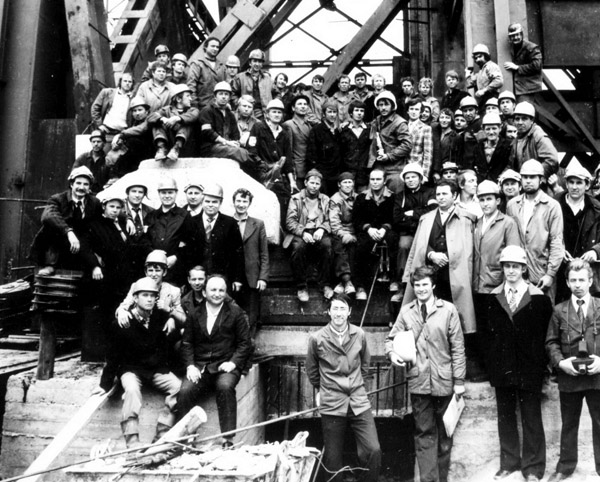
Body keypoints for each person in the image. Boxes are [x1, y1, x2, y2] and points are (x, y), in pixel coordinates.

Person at [387, 266, 466, 482]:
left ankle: (441, 478)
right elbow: (390, 340)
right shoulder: (407, 312)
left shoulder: (448, 310)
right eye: (417, 285)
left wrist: (459, 380)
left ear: (433, 286)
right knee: (424, 434)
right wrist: (392, 354)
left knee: (445, 436)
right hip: (419, 382)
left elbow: (458, 347)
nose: (421, 289)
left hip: (444, 382)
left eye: (425, 284)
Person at [484, 245, 552, 482]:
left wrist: (543, 367)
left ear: (524, 268)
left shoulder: (539, 298)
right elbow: (486, 336)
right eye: (507, 266)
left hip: (529, 367)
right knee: (505, 417)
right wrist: (492, 364)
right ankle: (509, 462)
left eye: (516, 266)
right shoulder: (493, 298)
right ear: (502, 268)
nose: (511, 271)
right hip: (502, 367)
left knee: (531, 417)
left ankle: (533, 468)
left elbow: (546, 335)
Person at [94, 277, 181, 448]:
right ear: (135, 298)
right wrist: (104, 384)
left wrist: (172, 318)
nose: (149, 299)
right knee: (132, 391)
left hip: (154, 369)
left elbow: (170, 341)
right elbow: (112, 356)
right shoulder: (123, 321)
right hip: (131, 369)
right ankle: (132, 442)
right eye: (145, 295)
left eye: (152, 296)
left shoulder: (160, 317)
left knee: (177, 386)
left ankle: (162, 436)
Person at [306, 293, 381, 482]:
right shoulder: (317, 338)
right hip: (332, 402)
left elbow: (365, 365)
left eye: (342, 309)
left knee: (373, 450)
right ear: (329, 312)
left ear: (349, 312)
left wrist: (356, 386)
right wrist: (325, 389)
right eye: (335, 309)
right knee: (332, 458)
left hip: (358, 400)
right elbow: (312, 371)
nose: (339, 313)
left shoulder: (359, 334)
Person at [177, 275, 251, 447]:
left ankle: (227, 438)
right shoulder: (195, 313)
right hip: (201, 366)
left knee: (225, 387)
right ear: (204, 292)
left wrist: (233, 363)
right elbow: (187, 343)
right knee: (185, 391)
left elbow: (245, 343)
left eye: (221, 290)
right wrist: (190, 366)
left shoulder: (235, 313)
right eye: (213, 290)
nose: (217, 294)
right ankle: (186, 439)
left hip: (226, 364)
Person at [546, 259, 600, 481]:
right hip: (570, 377)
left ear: (591, 281)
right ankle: (565, 467)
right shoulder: (559, 310)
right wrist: (561, 363)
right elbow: (551, 343)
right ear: (567, 283)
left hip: (597, 377)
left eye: (582, 280)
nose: (578, 284)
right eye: (573, 280)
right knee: (569, 424)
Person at [402, 180, 477, 335]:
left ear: (454, 196)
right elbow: (419, 244)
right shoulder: (426, 218)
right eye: (438, 194)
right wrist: (431, 254)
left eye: (444, 194)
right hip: (430, 272)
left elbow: (468, 247)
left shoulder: (466, 218)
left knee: (454, 313)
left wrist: (449, 256)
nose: (441, 197)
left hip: (455, 273)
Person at [472, 180, 521, 379]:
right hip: (477, 285)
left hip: (497, 284)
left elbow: (513, 254)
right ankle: (487, 371)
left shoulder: (507, 223)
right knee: (483, 329)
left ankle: (501, 371)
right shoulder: (476, 223)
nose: (485, 203)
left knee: (500, 330)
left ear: (498, 201)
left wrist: (507, 283)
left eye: (489, 199)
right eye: (482, 199)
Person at [507, 159, 564, 302]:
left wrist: (550, 274)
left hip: (541, 273)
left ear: (541, 179)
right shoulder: (512, 205)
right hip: (517, 272)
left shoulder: (552, 206)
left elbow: (557, 241)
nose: (528, 181)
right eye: (525, 177)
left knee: (542, 311)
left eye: (532, 177)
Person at [29, 166, 101, 276]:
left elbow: (107, 214)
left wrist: (126, 219)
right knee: (51, 226)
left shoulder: (94, 202)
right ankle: (50, 265)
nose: (81, 187)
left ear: (89, 187)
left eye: (86, 184)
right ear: (71, 184)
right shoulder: (58, 199)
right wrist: (68, 231)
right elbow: (48, 216)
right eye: (78, 183)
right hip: (60, 241)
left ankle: (93, 265)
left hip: (83, 243)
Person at [284, 169, 334, 301]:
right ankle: (301, 286)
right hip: (302, 231)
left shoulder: (325, 199)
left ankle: (325, 284)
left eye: (317, 184)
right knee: (298, 248)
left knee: (327, 246)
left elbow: (331, 219)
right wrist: (303, 232)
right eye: (312, 183)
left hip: (318, 231)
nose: (314, 186)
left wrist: (322, 228)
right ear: (305, 182)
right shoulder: (295, 198)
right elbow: (290, 221)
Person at [555, 161, 600, 302]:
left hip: (586, 272)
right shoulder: (553, 204)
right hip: (559, 270)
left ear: (587, 185)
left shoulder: (597, 209)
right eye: (571, 182)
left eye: (579, 183)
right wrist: (558, 249)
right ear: (566, 184)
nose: (574, 187)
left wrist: (595, 251)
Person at [392, 163, 437, 303]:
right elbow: (397, 218)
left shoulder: (430, 192)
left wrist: (413, 213)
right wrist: (416, 219)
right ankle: (403, 285)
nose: (410, 180)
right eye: (407, 177)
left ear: (420, 178)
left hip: (427, 232)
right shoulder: (400, 196)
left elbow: (433, 209)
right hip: (408, 231)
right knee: (404, 246)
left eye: (413, 177)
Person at [353, 168, 398, 300]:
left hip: (386, 230)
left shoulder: (392, 197)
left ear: (384, 181)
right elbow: (357, 219)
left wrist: (385, 228)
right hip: (368, 231)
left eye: (378, 179)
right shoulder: (361, 197)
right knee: (361, 246)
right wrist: (368, 229)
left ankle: (393, 279)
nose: (375, 182)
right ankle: (361, 286)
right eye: (372, 179)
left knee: (394, 241)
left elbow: (394, 217)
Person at [116, 249, 186, 335]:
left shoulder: (173, 291)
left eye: (157, 270)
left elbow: (184, 320)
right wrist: (121, 311)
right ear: (146, 272)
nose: (153, 274)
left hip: (162, 332)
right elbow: (125, 304)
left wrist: (171, 315)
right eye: (150, 270)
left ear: (164, 272)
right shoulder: (137, 285)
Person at [247, 98, 295, 222]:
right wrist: (263, 165)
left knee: (284, 197)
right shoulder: (258, 127)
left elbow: (288, 159)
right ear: (267, 114)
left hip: (277, 173)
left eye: (279, 112)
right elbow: (251, 150)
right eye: (274, 112)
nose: (277, 115)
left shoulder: (284, 133)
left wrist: (292, 181)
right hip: (260, 171)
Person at [191, 183, 244, 292]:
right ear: (202, 201)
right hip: (197, 279)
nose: (210, 205)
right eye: (207, 201)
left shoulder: (230, 223)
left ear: (220, 203)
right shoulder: (191, 222)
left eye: (214, 202)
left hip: (222, 277)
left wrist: (237, 279)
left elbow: (238, 253)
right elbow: (186, 253)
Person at [145, 176, 197, 286]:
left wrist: (176, 257)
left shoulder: (185, 216)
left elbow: (192, 244)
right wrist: (154, 253)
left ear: (176, 193)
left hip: (176, 271)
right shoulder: (151, 216)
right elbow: (145, 240)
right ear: (159, 194)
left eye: (170, 192)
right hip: (154, 270)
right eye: (163, 192)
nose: (167, 196)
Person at [232, 188, 269, 330]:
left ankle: (249, 340)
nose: (241, 204)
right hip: (233, 276)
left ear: (249, 204)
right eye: (238, 201)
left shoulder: (258, 224)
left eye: (244, 201)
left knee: (252, 314)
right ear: (233, 202)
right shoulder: (228, 222)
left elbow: (264, 253)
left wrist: (263, 277)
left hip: (252, 275)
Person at [369, 91, 412, 193]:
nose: (383, 108)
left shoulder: (400, 123)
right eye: (381, 105)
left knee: (395, 198)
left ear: (392, 106)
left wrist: (389, 156)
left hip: (394, 170)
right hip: (379, 169)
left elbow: (407, 145)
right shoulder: (377, 120)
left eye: (386, 104)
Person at [198, 81, 249, 165]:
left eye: (226, 94)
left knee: (244, 151)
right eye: (220, 94)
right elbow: (207, 132)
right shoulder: (207, 111)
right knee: (239, 152)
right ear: (215, 96)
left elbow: (235, 134)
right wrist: (226, 142)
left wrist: (235, 142)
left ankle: (263, 167)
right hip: (210, 148)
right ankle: (261, 170)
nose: (223, 97)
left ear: (229, 97)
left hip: (226, 147)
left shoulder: (230, 114)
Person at [148, 84, 199, 163]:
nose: (190, 99)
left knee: (187, 122)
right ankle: (161, 148)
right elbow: (150, 117)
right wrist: (163, 119)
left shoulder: (193, 110)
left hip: (186, 148)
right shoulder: (166, 110)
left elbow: (194, 116)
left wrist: (176, 118)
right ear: (178, 99)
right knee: (156, 121)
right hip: (169, 145)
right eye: (188, 96)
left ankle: (176, 148)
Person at [329, 172, 358, 295]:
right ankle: (346, 280)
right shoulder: (335, 199)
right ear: (339, 184)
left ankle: (346, 283)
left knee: (357, 248)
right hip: (340, 231)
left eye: (349, 182)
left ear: (353, 184)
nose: (347, 185)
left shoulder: (358, 197)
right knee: (340, 247)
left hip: (355, 231)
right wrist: (344, 234)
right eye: (344, 182)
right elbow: (334, 222)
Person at [109, 97, 154, 176]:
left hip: (149, 152)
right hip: (136, 154)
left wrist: (121, 135)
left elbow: (140, 129)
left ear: (146, 111)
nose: (137, 113)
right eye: (134, 111)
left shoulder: (150, 120)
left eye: (140, 110)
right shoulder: (134, 123)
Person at [513, 101, 559, 177]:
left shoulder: (538, 135)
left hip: (535, 181)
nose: (520, 122)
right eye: (517, 119)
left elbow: (552, 160)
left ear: (532, 120)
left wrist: (536, 176)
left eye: (524, 119)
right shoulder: (517, 137)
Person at [306, 100, 342, 196]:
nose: (332, 115)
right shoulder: (317, 130)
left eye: (334, 112)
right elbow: (311, 154)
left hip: (336, 174)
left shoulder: (338, 131)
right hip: (323, 175)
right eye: (329, 112)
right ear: (324, 114)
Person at [504, 23, 543, 102]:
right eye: (512, 36)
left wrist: (517, 67)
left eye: (517, 35)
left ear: (521, 34)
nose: (515, 37)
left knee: (524, 108)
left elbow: (537, 66)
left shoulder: (531, 47)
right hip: (518, 87)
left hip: (528, 88)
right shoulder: (512, 47)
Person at [231, 49, 273, 119]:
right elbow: (232, 94)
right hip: (245, 114)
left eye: (260, 61)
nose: (257, 64)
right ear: (250, 63)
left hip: (264, 115)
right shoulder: (240, 77)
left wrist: (272, 105)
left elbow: (277, 94)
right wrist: (240, 104)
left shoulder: (268, 79)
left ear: (262, 64)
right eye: (255, 61)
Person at [186, 36, 225, 109]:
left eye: (217, 47)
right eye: (212, 46)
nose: (215, 49)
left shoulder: (222, 66)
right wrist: (195, 106)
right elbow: (191, 86)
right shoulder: (197, 64)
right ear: (205, 47)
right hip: (202, 106)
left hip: (218, 107)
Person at [473, 112, 514, 182]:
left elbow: (510, 165)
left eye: (494, 128)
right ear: (483, 129)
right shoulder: (478, 147)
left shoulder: (508, 145)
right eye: (488, 129)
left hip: (502, 182)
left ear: (500, 128)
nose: (491, 132)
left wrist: (501, 179)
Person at [340, 100, 371, 191]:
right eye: (356, 110)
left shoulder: (369, 130)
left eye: (362, 111)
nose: (359, 113)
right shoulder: (344, 130)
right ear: (351, 113)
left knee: (363, 196)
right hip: (348, 171)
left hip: (364, 172)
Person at [283, 94, 311, 190]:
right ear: (293, 108)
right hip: (297, 170)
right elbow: (288, 151)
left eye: (305, 104)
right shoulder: (288, 125)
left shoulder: (309, 125)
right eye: (299, 104)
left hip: (308, 169)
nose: (303, 106)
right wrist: (291, 171)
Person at [466, 43, 504, 107]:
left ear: (486, 56)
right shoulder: (481, 70)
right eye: (476, 58)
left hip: (491, 98)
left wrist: (484, 90)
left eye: (480, 56)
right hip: (483, 99)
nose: (478, 60)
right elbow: (471, 84)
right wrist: (468, 76)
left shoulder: (491, 66)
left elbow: (499, 81)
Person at [406, 98, 433, 181]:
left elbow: (428, 153)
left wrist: (425, 174)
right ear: (407, 111)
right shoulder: (402, 125)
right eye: (411, 109)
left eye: (417, 109)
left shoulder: (426, 128)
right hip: (401, 166)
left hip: (416, 167)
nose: (414, 112)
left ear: (421, 112)